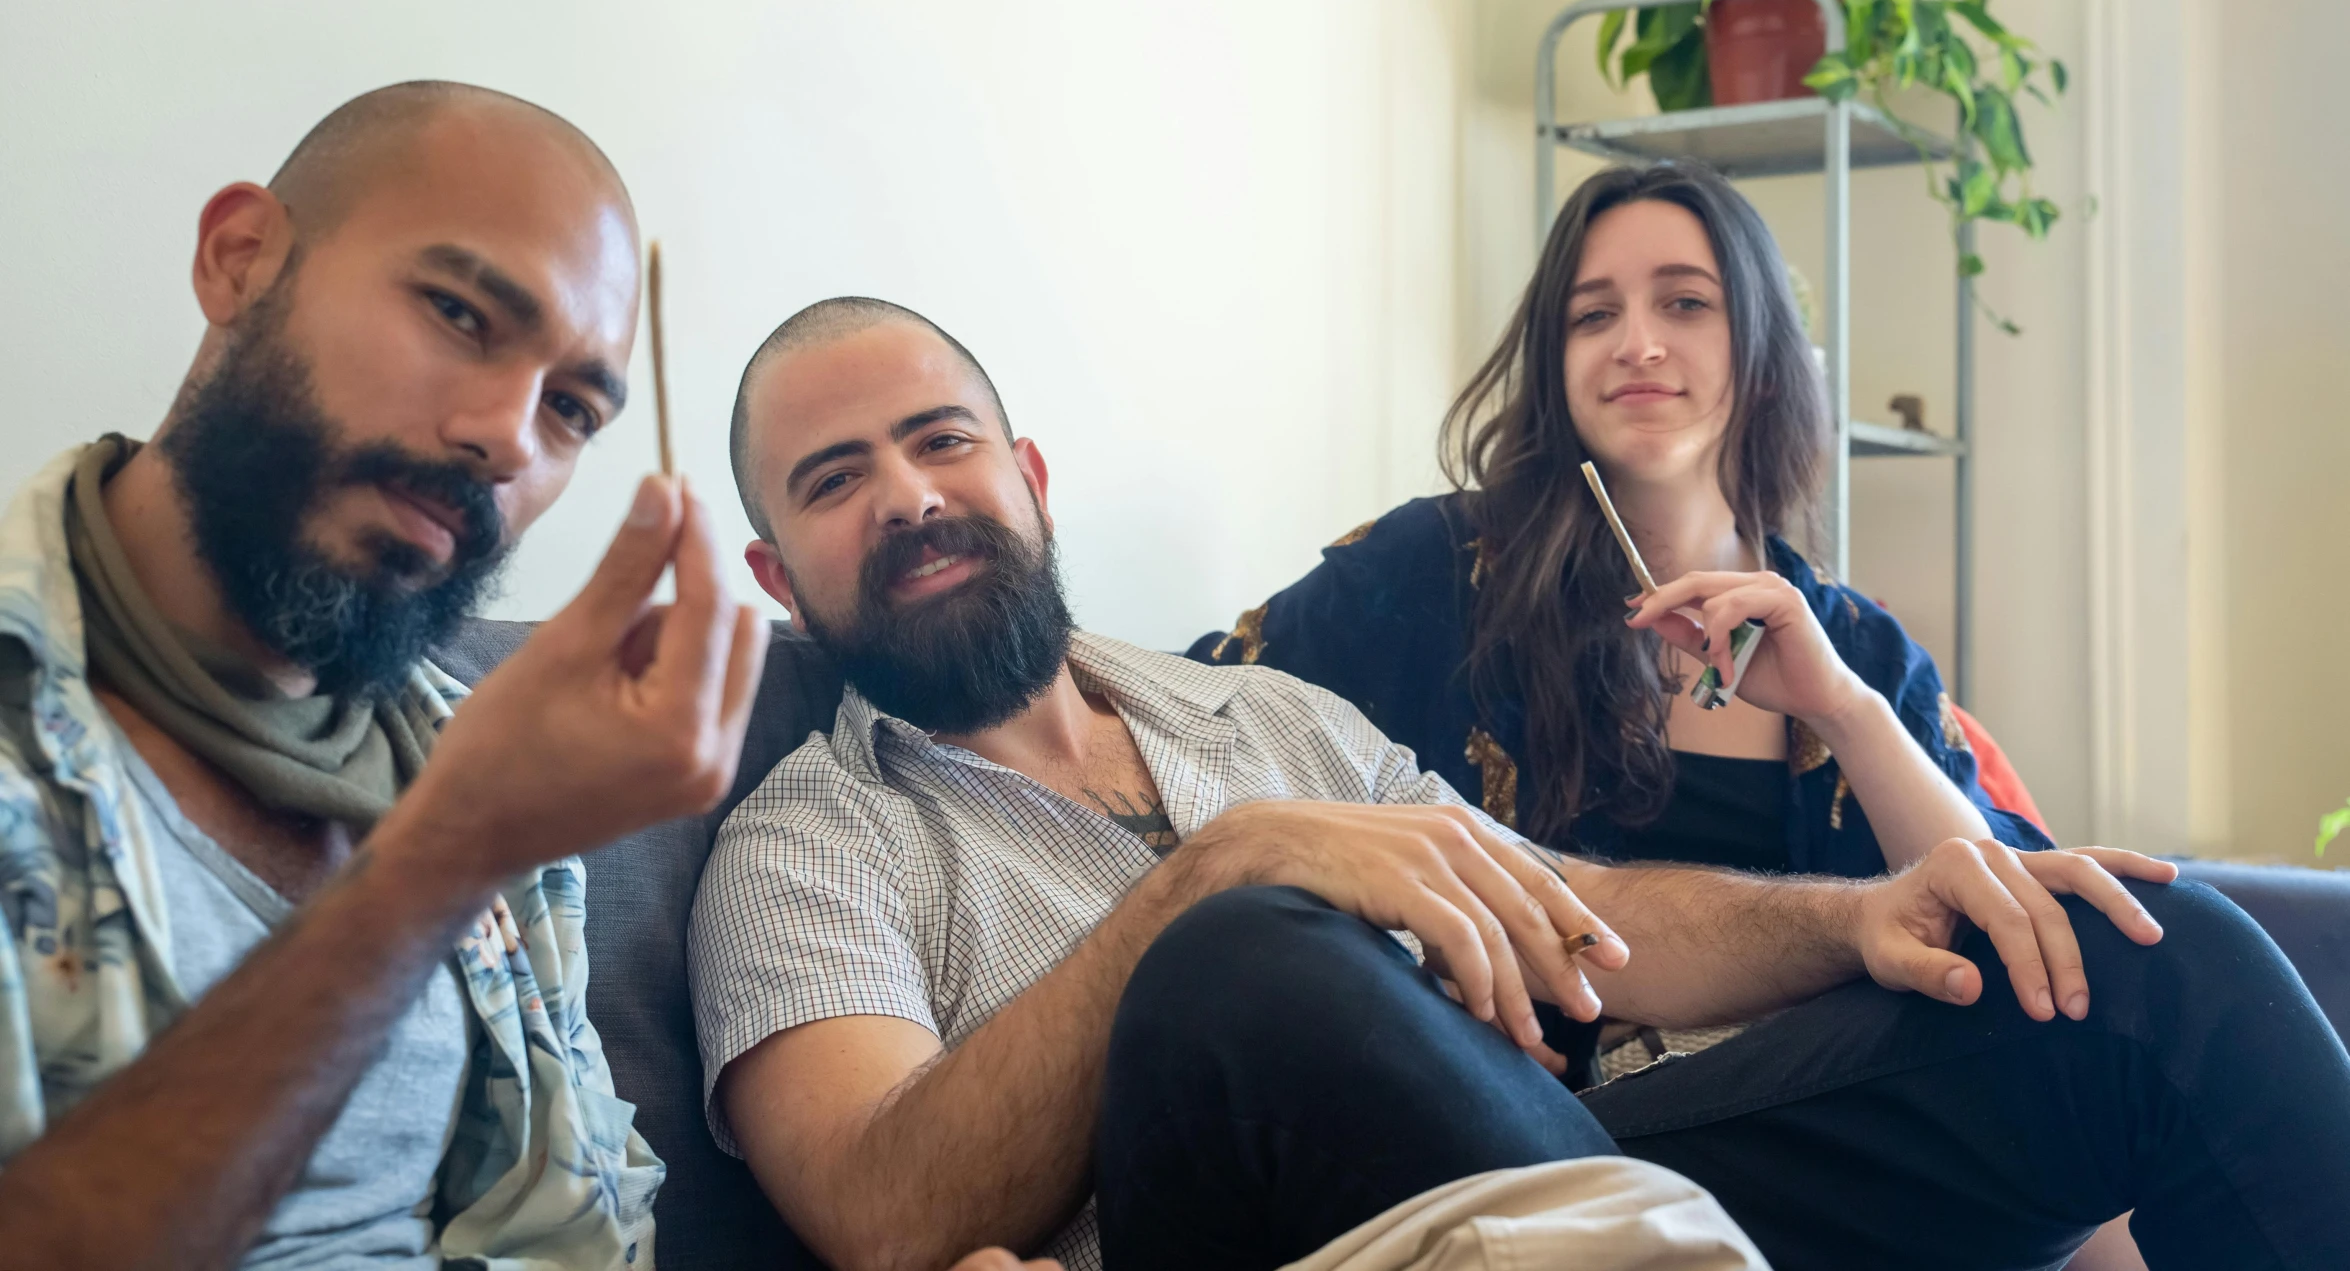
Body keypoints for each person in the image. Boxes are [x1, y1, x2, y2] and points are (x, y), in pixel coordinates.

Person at [690, 295, 2350, 1271]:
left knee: (2151, 955)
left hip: (1568, 1159)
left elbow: (1583, 915)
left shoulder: (1258, 714)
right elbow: (885, 1203)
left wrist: (1866, 916)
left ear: (1030, 477)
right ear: (777, 571)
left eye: (941, 439)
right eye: (839, 479)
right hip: (1294, 1239)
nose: (908, 495)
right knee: (1244, 954)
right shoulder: (801, 842)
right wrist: (1218, 872)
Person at [0, 82, 775, 1269]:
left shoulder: (491, 771)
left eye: (571, 408)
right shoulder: (486, 801)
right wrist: (444, 856)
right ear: (240, 258)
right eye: (461, 313)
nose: (511, 438)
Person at [1191, 161, 2042, 885]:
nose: (1637, 343)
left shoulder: (1863, 652)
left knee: (2177, 911)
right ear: (1555, 368)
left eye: (1686, 304)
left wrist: (1848, 712)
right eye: (1593, 315)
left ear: (1768, 364)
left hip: (1823, 1082)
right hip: (1507, 1082)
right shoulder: (1427, 571)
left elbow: (2014, 920)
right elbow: (1188, 716)